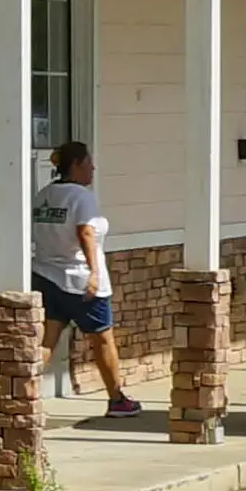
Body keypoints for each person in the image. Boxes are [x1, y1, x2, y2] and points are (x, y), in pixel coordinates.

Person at [33, 140, 145, 417]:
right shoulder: (81, 197)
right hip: (79, 279)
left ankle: (23, 394)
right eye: (89, 163)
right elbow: (86, 233)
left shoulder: (44, 195)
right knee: (103, 339)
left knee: (47, 340)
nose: (93, 169)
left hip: (47, 275)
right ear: (77, 165)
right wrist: (94, 274)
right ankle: (117, 399)